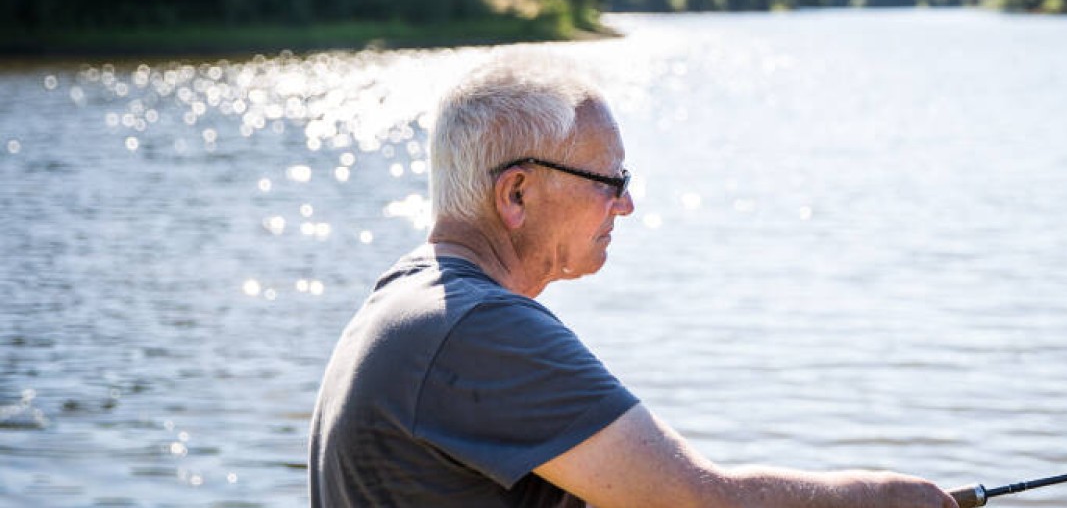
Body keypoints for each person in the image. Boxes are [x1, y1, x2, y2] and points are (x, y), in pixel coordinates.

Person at [308, 53, 958, 508]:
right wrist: (893, 497)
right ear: (516, 193)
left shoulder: (407, 297)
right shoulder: (479, 330)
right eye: (609, 182)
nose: (625, 205)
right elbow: (699, 499)